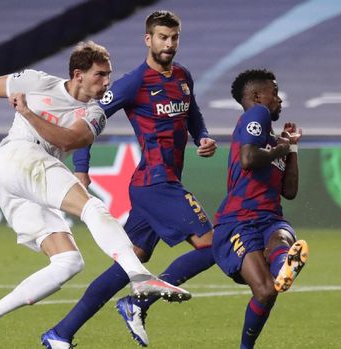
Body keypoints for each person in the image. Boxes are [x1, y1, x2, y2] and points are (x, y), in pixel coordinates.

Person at [0, 41, 190, 349]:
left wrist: (28, 113)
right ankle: (138, 276)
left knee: (68, 262)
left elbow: (69, 141)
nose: (107, 82)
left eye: (109, 75)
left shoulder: (96, 114)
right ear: (78, 74)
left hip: (28, 178)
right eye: (100, 75)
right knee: (93, 207)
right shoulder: (36, 82)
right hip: (15, 157)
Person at [41, 11, 217, 348]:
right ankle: (138, 302)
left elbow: (191, 112)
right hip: (156, 183)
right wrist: (82, 166)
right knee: (211, 246)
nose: (169, 44)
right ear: (147, 39)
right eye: (162, 37)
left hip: (157, 183)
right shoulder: (133, 82)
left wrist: (203, 136)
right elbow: (88, 117)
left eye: (174, 37)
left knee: (130, 259)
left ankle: (60, 333)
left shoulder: (182, 76)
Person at [212, 69, 309, 349]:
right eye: (274, 92)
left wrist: (291, 148)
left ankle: (284, 268)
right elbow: (248, 158)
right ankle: (283, 268)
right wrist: (280, 150)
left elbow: (289, 192)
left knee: (281, 243)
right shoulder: (258, 114)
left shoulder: (271, 139)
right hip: (238, 222)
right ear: (256, 97)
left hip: (270, 219)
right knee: (265, 292)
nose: (279, 99)